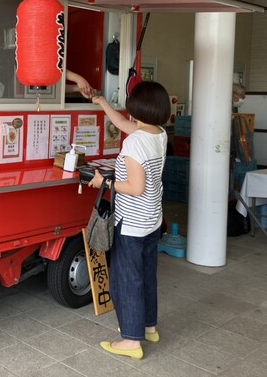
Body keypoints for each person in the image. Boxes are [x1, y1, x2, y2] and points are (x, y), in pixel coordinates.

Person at [88, 81, 170, 360]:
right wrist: (102, 102)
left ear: (140, 107)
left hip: (132, 223)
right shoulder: (158, 133)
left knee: (126, 281)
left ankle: (132, 341)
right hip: (152, 220)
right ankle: (149, 327)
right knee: (146, 276)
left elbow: (135, 187)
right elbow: (123, 124)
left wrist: (103, 182)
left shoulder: (135, 142)